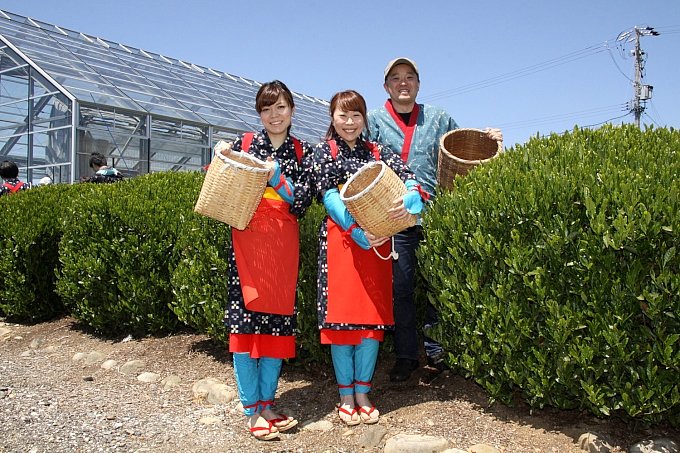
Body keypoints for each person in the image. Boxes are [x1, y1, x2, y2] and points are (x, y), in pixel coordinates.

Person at [366, 57, 503, 382]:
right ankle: (405, 356)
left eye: (409, 77)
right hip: (394, 218)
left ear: (418, 83)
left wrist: (490, 137)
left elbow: (465, 150)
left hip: (434, 217)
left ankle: (437, 353)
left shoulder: (439, 118)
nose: (403, 83)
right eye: (396, 78)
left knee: (436, 287)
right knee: (400, 289)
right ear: (386, 86)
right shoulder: (372, 120)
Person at [313, 90, 427, 425]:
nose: (349, 123)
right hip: (341, 244)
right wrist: (355, 231)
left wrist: (412, 197)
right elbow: (329, 196)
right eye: (342, 115)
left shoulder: (377, 151)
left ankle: (363, 391)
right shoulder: (325, 152)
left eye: (356, 115)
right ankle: (345, 395)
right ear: (332, 118)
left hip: (378, 243)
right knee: (341, 321)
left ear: (365, 119)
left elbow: (408, 178)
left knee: (370, 323)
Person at [220, 80, 314, 441]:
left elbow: (303, 201)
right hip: (246, 238)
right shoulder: (244, 143)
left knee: (277, 322)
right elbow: (222, 181)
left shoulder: (303, 151)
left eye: (281, 107)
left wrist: (279, 179)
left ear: (291, 110)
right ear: (258, 113)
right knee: (245, 324)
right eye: (266, 109)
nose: (274, 115)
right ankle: (251, 410)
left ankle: (267, 402)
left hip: (282, 244)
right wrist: (220, 154)